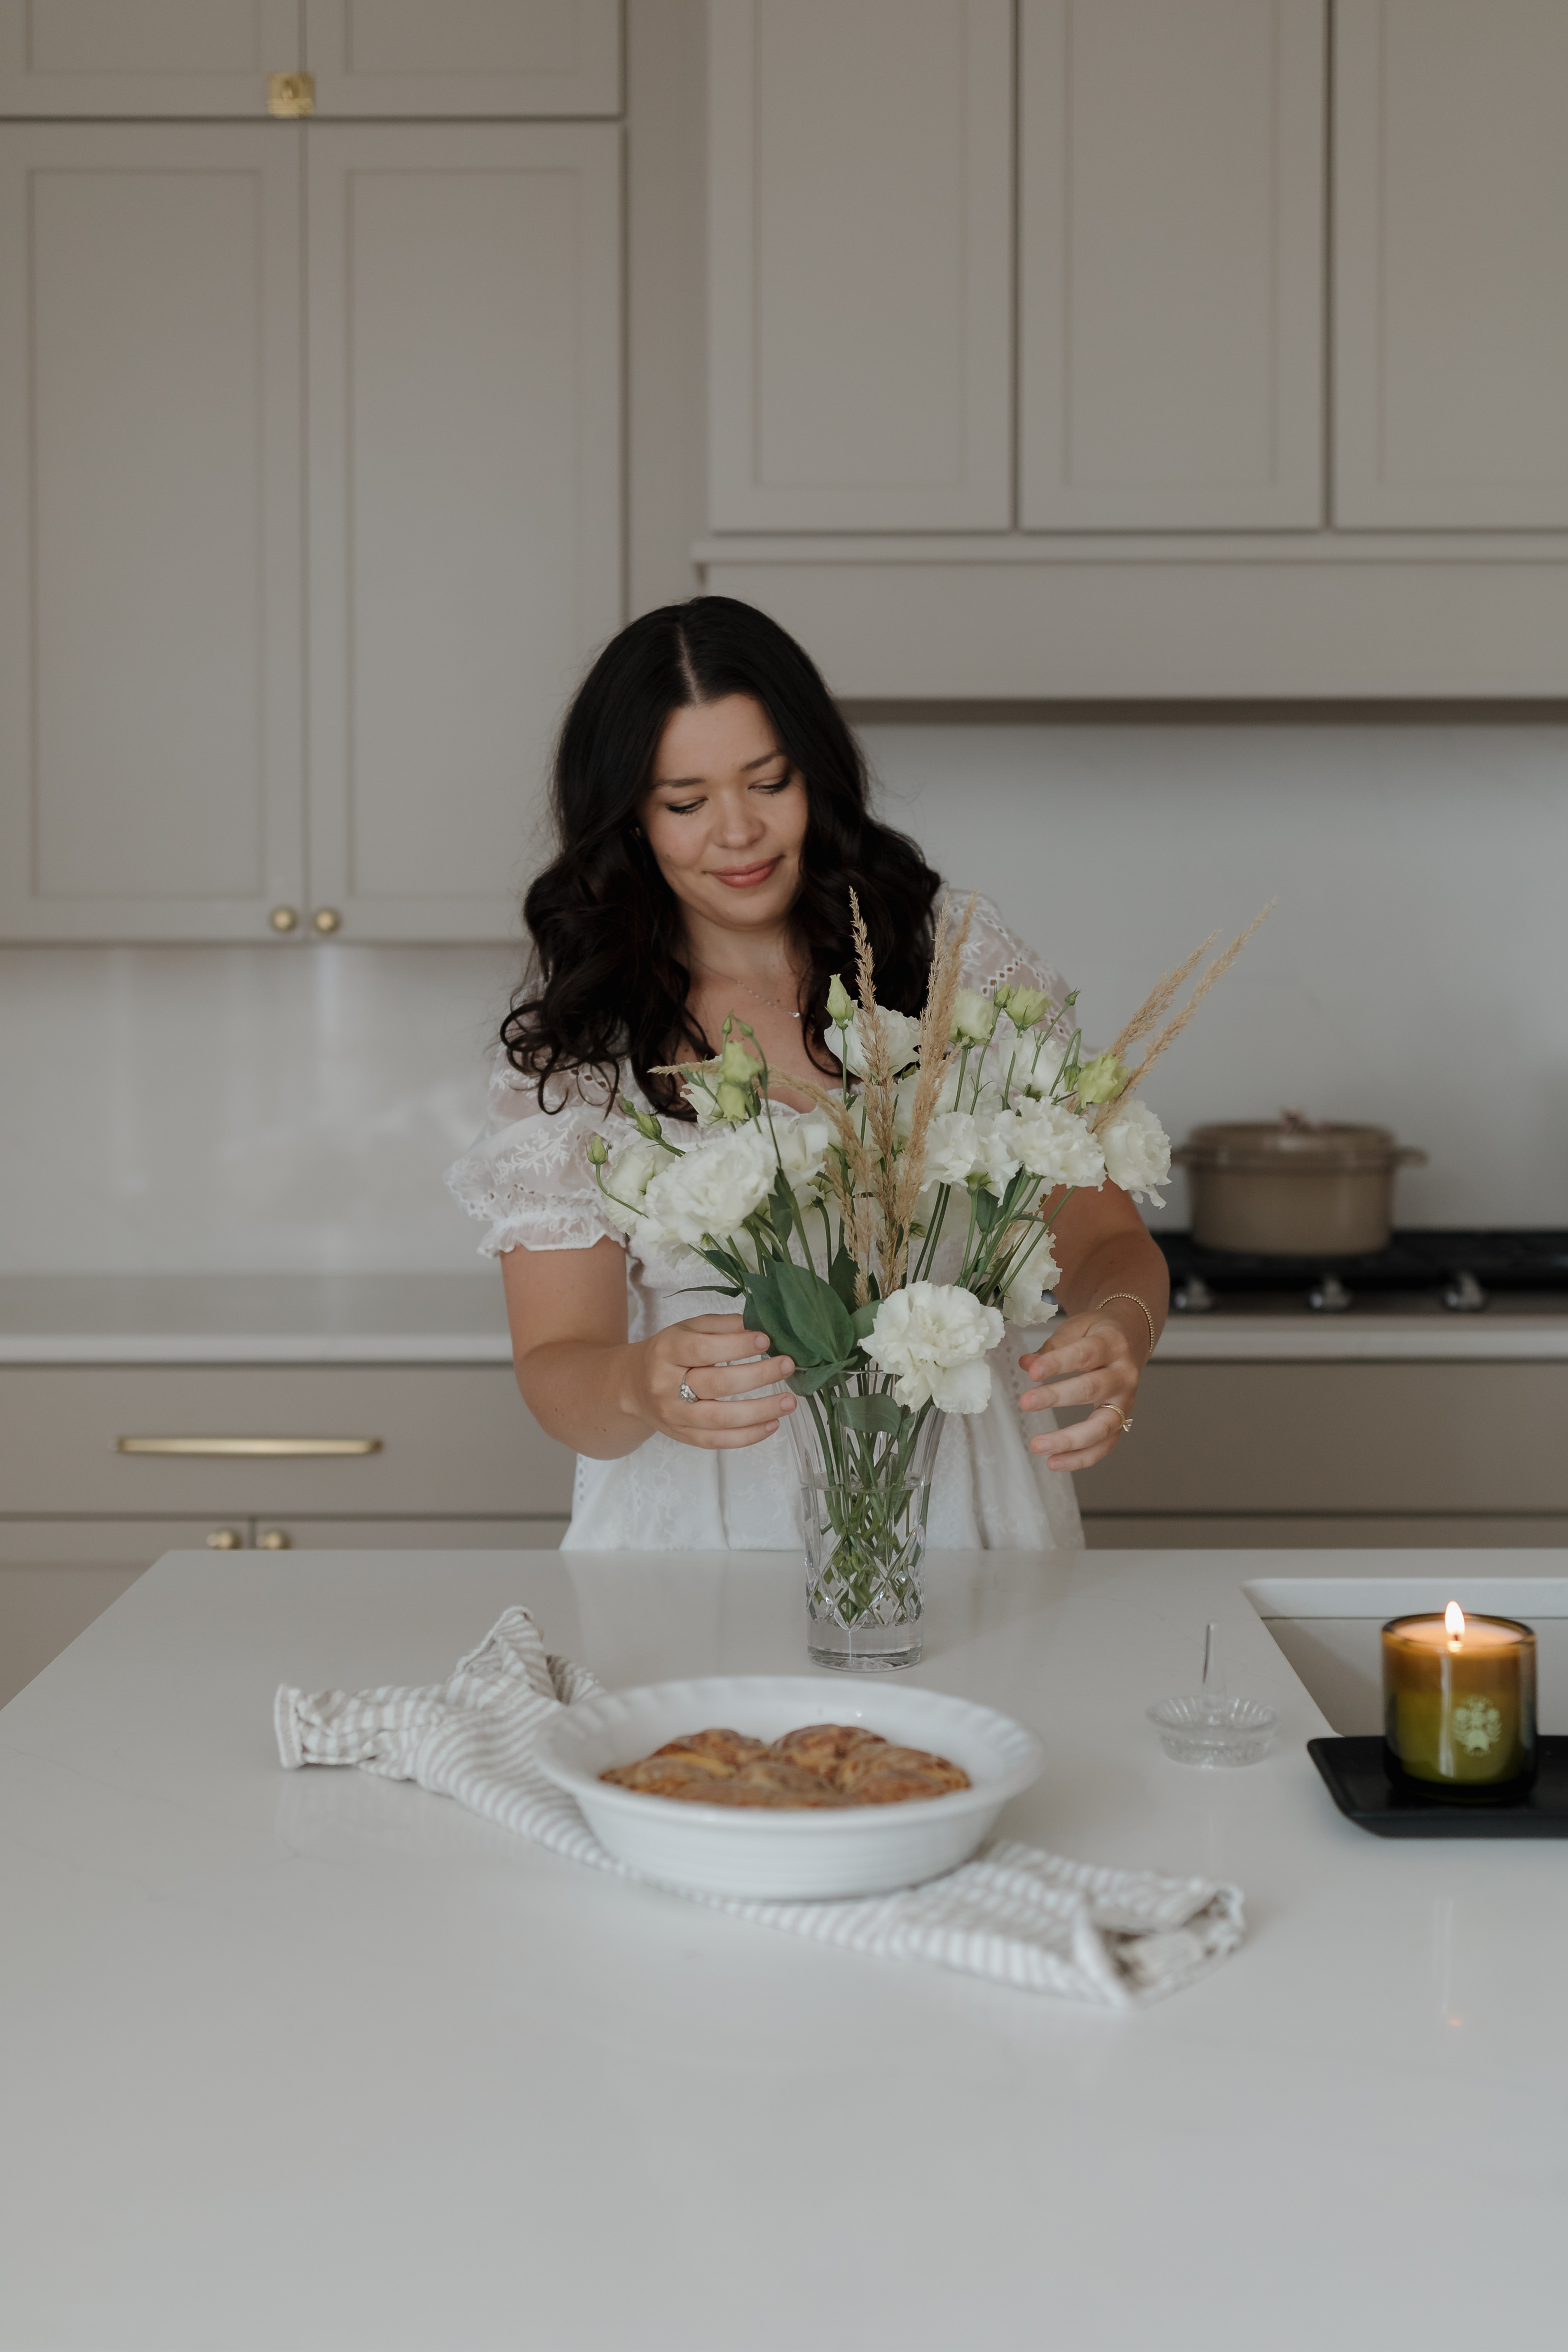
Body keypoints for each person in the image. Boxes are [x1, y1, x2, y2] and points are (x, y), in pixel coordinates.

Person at [446, 597, 1168, 1551]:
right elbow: (556, 1367)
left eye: (768, 781)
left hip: (965, 1516)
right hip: (703, 1535)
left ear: (817, 775)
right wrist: (637, 1384)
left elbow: (1107, 1236)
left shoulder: (952, 962)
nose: (737, 832)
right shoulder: (589, 1042)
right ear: (629, 820)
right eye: (686, 802)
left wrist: (1119, 1326)